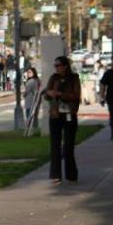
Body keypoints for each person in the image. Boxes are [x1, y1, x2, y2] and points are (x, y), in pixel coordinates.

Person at [41, 55, 83, 184]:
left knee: (68, 146)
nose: (56, 68)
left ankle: (71, 175)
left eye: (58, 65)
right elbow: (47, 94)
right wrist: (49, 93)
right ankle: (55, 175)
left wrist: (60, 94)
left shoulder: (74, 78)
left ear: (65, 66)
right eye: (55, 65)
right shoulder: (54, 78)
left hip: (69, 114)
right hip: (55, 114)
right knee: (55, 145)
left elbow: (76, 96)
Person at [21, 66, 42, 135]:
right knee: (34, 116)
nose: (28, 73)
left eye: (30, 72)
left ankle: (30, 130)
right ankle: (34, 129)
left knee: (29, 116)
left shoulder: (31, 81)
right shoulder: (37, 80)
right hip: (35, 101)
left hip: (30, 101)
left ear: (34, 72)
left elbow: (27, 91)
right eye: (28, 72)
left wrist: (24, 95)